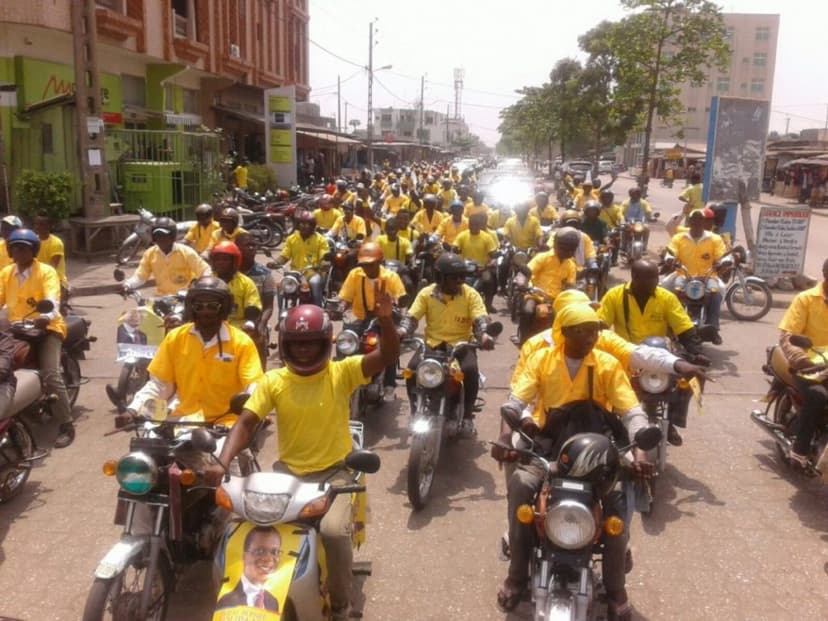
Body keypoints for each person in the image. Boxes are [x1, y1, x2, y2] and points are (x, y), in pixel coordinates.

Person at [205, 296, 400, 621]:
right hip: (288, 477)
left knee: (335, 533)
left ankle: (340, 606)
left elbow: (388, 355)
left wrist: (386, 321)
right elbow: (247, 422)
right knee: (238, 532)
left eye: (311, 343)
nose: (305, 350)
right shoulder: (274, 380)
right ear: (286, 346)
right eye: (298, 344)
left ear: (325, 343)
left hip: (335, 475)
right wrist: (222, 461)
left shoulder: (343, 372)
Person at [493, 303, 652, 620]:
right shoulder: (542, 359)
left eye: (594, 330)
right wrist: (504, 436)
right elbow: (516, 401)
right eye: (583, 331)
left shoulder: (606, 364)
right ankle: (516, 576)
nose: (592, 337)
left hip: (599, 450)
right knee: (521, 487)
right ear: (565, 333)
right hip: (550, 447)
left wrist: (642, 452)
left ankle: (616, 586)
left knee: (618, 507)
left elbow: (632, 411)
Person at [125, 277, 263, 424]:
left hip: (226, 423)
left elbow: (253, 386)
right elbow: (160, 385)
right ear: (191, 308)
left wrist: (249, 408)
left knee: (219, 448)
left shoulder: (242, 342)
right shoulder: (175, 338)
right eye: (199, 306)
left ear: (224, 308)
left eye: (212, 306)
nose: (205, 311)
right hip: (183, 420)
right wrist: (133, 409)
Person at [599, 260, 707, 445]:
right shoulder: (614, 296)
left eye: (656, 277)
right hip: (627, 355)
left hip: (660, 355)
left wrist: (696, 352)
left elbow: (684, 328)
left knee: (690, 378)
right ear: (635, 278)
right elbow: (601, 325)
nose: (655, 282)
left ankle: (673, 420)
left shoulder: (666, 297)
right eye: (649, 278)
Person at [401, 252, 495, 433]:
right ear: (440, 277)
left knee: (470, 370)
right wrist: (403, 330)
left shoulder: (471, 294)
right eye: (454, 277)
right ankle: (414, 411)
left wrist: (484, 335)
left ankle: (467, 416)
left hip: (461, 346)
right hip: (432, 344)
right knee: (411, 370)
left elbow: (480, 318)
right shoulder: (426, 293)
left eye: (462, 276)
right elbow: (412, 317)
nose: (460, 281)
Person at [0, 229, 74, 447]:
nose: (19, 252)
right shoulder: (5, 273)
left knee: (51, 374)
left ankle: (67, 424)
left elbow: (52, 300)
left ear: (34, 250)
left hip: (46, 328)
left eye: (24, 248)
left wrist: (45, 317)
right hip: (14, 328)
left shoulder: (46, 272)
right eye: (15, 248)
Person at [778, 258, 828, 469]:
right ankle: (800, 448)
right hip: (810, 367)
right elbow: (788, 336)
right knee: (818, 396)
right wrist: (801, 360)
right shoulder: (806, 299)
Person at [338, 243, 406, 397]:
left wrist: (400, 312)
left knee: (389, 346)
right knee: (344, 342)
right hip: (359, 318)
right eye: (364, 264)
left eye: (370, 264)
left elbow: (400, 298)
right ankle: (340, 377)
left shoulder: (391, 277)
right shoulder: (355, 274)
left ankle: (389, 383)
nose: (366, 268)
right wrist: (340, 307)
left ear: (379, 262)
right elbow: (346, 297)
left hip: (382, 319)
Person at [662, 209, 726, 344]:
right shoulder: (679, 238)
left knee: (715, 293)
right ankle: (669, 324)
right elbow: (671, 252)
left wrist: (723, 262)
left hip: (708, 276)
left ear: (704, 221)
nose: (697, 222)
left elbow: (722, 255)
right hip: (684, 275)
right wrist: (670, 259)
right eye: (694, 219)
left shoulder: (715, 238)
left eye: (700, 219)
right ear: (689, 221)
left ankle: (713, 328)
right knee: (670, 291)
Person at [123, 217, 211, 296]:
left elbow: (205, 270)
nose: (161, 239)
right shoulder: (149, 254)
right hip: (161, 299)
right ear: (154, 238)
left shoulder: (186, 252)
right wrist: (128, 285)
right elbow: (140, 277)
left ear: (172, 236)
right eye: (158, 236)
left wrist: (201, 286)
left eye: (165, 235)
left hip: (183, 298)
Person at [216, 526, 281, 611]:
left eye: (275, 552)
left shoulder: (273, 602)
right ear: (244, 557)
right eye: (260, 551)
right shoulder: (226, 602)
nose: (268, 559)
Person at [273, 211, 330, 307]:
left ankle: (318, 309)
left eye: (308, 224)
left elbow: (324, 256)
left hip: (312, 273)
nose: (305, 226)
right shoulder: (291, 238)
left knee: (315, 283)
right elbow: (285, 255)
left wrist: (324, 263)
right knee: (281, 285)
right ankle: (281, 313)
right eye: (302, 223)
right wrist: (275, 262)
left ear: (313, 226)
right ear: (298, 224)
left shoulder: (321, 240)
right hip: (295, 273)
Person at [209, 241, 262, 330]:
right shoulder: (207, 281)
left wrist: (250, 322)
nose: (220, 263)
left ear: (234, 262)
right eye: (217, 259)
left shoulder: (246, 283)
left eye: (225, 259)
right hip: (210, 326)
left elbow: (253, 305)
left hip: (239, 328)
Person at [453, 213, 499, 312]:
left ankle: (488, 305)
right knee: (452, 280)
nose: (473, 227)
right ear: (469, 225)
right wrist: (455, 249)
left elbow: (492, 253)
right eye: (471, 224)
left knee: (489, 281)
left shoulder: (487, 237)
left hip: (482, 268)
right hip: (464, 267)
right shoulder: (462, 235)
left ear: (479, 226)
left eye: (476, 225)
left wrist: (490, 263)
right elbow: (455, 246)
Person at [32, 212, 69, 304]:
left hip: (55, 280)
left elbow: (51, 268)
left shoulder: (56, 243)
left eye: (41, 224)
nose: (37, 227)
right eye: (36, 224)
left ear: (49, 226)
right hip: (37, 279)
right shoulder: (33, 241)